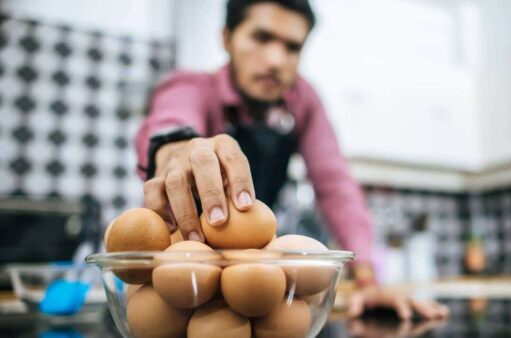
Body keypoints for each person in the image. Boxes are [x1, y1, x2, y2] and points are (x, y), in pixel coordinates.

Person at [135, 0, 449, 320]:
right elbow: (170, 124)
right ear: (227, 38)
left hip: (252, 277)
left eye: (292, 47)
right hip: (184, 271)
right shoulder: (194, 87)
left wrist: (367, 278)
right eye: (261, 38)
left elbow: (334, 184)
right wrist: (176, 151)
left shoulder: (303, 101)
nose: (275, 60)